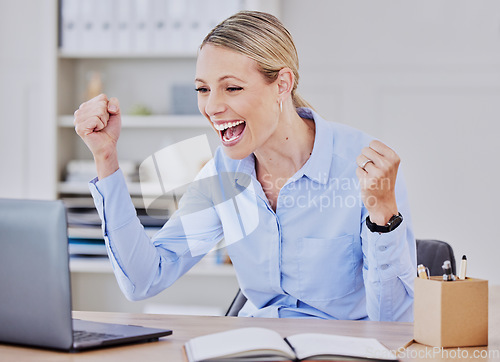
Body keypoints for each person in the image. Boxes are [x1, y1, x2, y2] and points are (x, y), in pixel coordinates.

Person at [74, 11, 416, 321]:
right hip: (258, 346)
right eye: (203, 89)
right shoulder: (223, 176)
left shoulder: (365, 168)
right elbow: (143, 280)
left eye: (232, 88)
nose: (212, 106)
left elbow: (394, 321)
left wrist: (384, 216)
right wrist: (106, 158)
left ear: (282, 84)